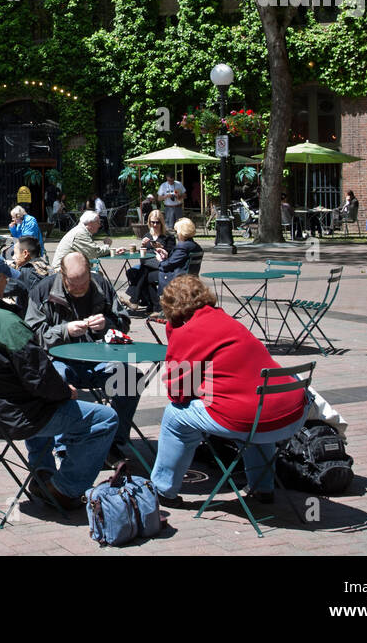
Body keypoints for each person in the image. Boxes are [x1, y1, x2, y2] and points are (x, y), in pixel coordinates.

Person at [0, 250, 118, 512]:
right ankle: (64, 489)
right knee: (104, 418)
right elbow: (41, 378)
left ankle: (43, 471)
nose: (9, 284)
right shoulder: (7, 322)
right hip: (16, 417)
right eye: (6, 280)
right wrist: (66, 392)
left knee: (123, 379)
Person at [149, 275, 308, 507]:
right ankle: (263, 487)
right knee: (256, 405)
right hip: (292, 414)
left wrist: (173, 333)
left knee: (175, 415)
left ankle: (163, 490)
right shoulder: (227, 320)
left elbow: (177, 392)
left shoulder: (188, 331)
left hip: (254, 420)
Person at [26, 253, 143, 460]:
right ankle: (63, 444)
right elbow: (32, 334)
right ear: (62, 275)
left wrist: (107, 323)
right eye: (73, 284)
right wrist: (65, 330)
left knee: (131, 378)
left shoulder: (101, 285)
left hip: (100, 359)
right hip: (59, 361)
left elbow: (123, 322)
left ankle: (114, 440)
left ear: (90, 273)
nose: (79, 288)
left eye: (84, 283)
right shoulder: (43, 290)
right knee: (57, 381)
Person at [125, 209, 175, 311]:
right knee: (132, 272)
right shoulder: (147, 235)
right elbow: (142, 254)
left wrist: (162, 248)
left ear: (162, 222)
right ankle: (152, 303)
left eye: (157, 222)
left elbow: (172, 254)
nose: (155, 225)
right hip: (148, 265)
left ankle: (135, 300)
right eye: (152, 222)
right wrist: (143, 245)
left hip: (162, 266)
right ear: (149, 222)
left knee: (143, 271)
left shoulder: (168, 236)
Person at [52, 210, 124, 271]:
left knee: (98, 276)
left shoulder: (81, 230)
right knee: (98, 278)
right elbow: (95, 252)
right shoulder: (80, 233)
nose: (100, 225)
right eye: (98, 222)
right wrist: (107, 245)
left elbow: (91, 249)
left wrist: (113, 250)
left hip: (68, 268)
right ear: (90, 223)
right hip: (61, 271)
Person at [154, 217, 203, 303]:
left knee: (146, 275)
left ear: (181, 232)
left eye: (176, 232)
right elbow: (176, 261)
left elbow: (167, 266)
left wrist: (160, 260)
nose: (176, 234)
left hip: (178, 279)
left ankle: (159, 306)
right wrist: (166, 255)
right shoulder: (196, 246)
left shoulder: (182, 247)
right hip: (191, 278)